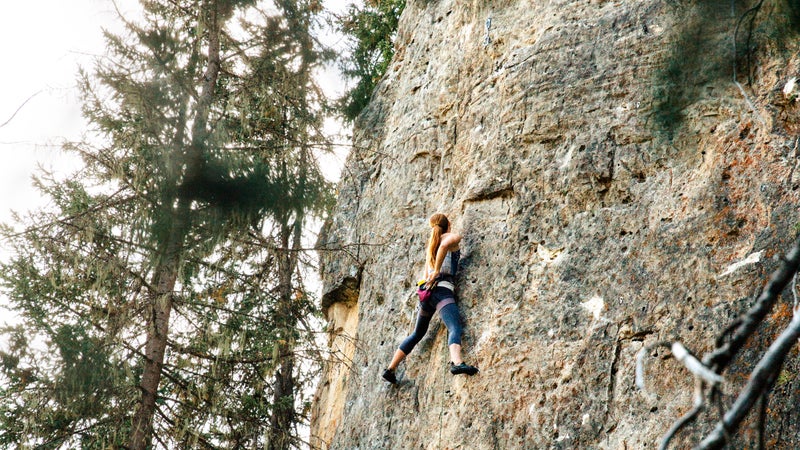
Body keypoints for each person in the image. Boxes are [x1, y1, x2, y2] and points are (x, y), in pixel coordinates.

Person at [382, 213, 479, 384]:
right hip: (441, 290)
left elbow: (432, 263)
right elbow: (445, 246)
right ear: (448, 224)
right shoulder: (450, 237)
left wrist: (433, 272)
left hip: (426, 294)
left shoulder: (431, 246)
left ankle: (390, 369)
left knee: (417, 333)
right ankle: (457, 363)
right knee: (455, 326)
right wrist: (437, 271)